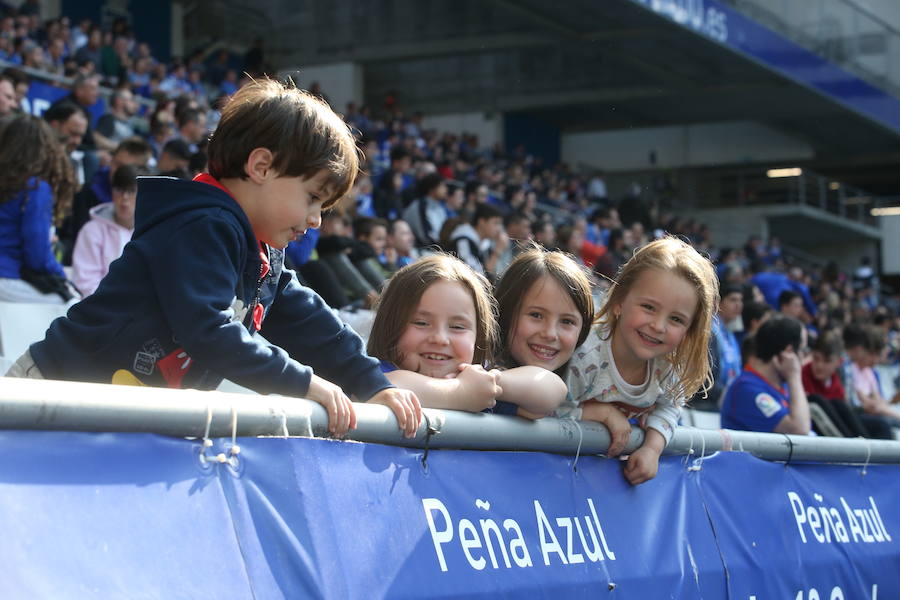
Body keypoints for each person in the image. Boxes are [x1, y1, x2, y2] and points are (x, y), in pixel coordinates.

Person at [9, 78, 421, 439]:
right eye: (312, 197)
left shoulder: (262, 252)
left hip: (111, 418)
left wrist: (371, 382)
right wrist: (304, 383)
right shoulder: (202, 225)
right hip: (49, 395)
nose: (315, 220)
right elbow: (209, 329)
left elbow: (309, 322)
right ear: (261, 165)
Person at [565, 236, 718, 485]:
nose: (658, 326)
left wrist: (652, 448)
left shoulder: (666, 369)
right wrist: (600, 413)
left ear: (689, 331)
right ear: (619, 302)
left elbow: (670, 407)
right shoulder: (584, 355)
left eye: (676, 319)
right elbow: (544, 412)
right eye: (648, 307)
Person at [367, 254, 504, 413]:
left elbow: (539, 391)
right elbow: (380, 386)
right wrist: (460, 392)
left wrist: (489, 384)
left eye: (458, 327)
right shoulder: (369, 373)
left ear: (478, 337)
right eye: (421, 323)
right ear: (388, 325)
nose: (440, 339)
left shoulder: (481, 389)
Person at [493, 248, 593, 418]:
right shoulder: (478, 365)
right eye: (536, 315)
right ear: (505, 313)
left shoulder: (583, 377)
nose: (550, 334)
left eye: (567, 321)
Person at [0, 115, 77, 303]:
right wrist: (61, 276)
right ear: (43, 148)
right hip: (6, 277)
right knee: (72, 302)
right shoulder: (34, 187)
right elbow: (37, 256)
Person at [720, 316, 811, 435]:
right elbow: (799, 431)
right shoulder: (747, 388)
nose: (804, 357)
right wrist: (794, 377)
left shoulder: (781, 386)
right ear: (789, 352)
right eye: (803, 350)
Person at [71, 164, 140, 296]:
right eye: (119, 189)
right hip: (99, 311)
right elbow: (85, 283)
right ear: (112, 193)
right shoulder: (91, 231)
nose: (124, 197)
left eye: (131, 191)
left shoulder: (152, 234)